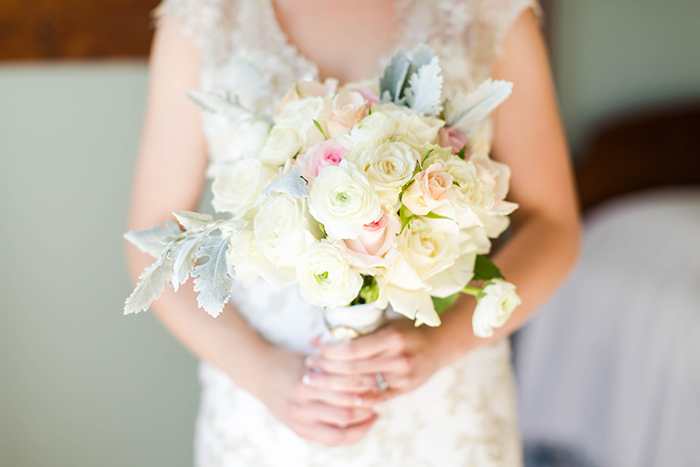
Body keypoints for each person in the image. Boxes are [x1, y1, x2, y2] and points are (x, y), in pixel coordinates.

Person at [125, 0, 580, 465]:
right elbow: (154, 241)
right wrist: (265, 375)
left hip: (445, 408)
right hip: (269, 413)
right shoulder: (204, 20)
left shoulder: (487, 13)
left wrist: (441, 345)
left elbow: (554, 225)